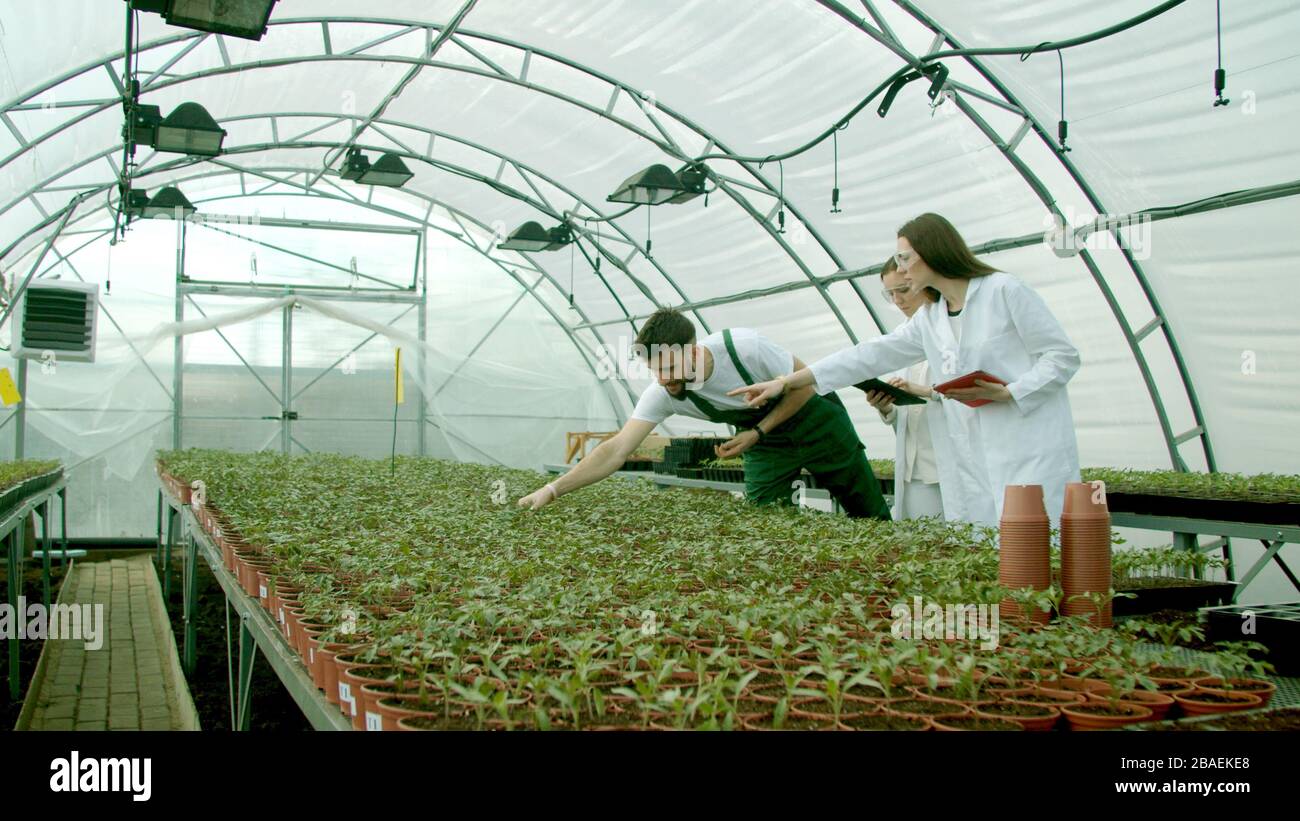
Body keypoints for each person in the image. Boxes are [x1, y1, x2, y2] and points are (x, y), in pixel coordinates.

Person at [729, 213, 1081, 525]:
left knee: (1036, 546)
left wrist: (1010, 392)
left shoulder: (1004, 291)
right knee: (990, 550)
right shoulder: (931, 318)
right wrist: (787, 382)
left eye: (905, 258)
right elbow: (867, 355)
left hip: (1026, 446)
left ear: (934, 251)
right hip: (972, 456)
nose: (901, 268)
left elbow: (1062, 356)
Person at [517, 308, 891, 519]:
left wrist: (758, 431)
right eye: (654, 371)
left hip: (818, 425)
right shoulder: (662, 392)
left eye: (669, 368)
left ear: (692, 352)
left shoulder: (744, 348)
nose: (663, 380)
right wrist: (553, 490)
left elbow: (807, 385)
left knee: (867, 510)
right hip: (767, 445)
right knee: (766, 522)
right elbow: (616, 450)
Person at [866, 257, 945, 520]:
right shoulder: (901, 337)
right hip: (914, 468)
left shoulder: (950, 330)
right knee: (920, 546)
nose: (898, 300)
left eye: (903, 290)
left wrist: (923, 391)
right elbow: (906, 415)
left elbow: (972, 395)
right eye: (890, 294)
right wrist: (887, 407)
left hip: (946, 462)